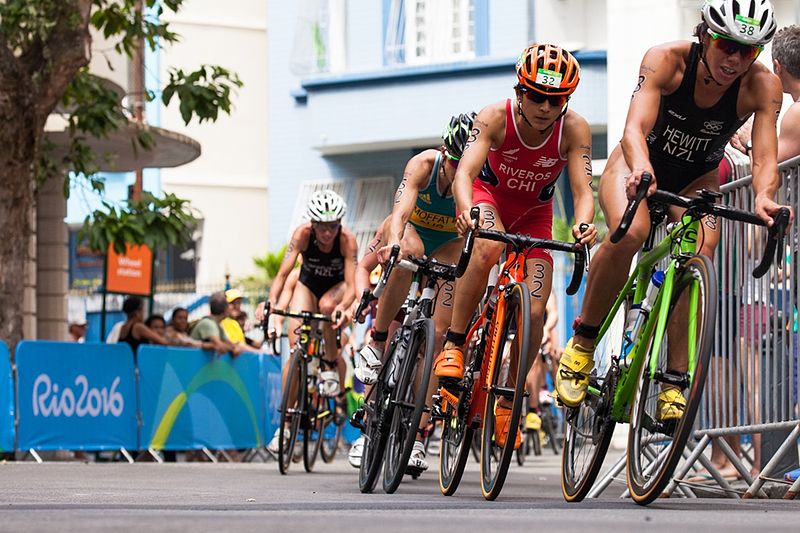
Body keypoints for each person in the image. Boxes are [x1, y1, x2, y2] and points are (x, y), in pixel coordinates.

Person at [554, 0, 787, 419]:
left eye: (747, 50)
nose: (734, 59)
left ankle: (672, 381)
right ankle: (583, 345)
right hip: (637, 162)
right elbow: (633, 128)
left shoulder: (762, 87)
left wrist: (764, 196)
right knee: (633, 232)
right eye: (726, 44)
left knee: (700, 252)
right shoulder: (665, 61)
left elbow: (765, 159)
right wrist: (642, 168)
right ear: (704, 35)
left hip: (698, 179)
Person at [433, 42, 597, 450]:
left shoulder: (574, 129)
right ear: (520, 92)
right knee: (487, 249)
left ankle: (509, 399)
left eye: (555, 99)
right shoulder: (494, 117)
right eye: (536, 96)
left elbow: (583, 190)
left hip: (535, 217)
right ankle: (454, 344)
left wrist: (582, 224)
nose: (545, 106)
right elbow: (465, 173)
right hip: (490, 199)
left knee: (537, 309)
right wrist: (467, 208)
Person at [347, 113, 475, 471]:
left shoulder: (479, 178)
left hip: (449, 244)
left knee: (436, 336)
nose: (456, 169)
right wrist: (391, 243)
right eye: (453, 160)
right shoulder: (423, 165)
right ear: (445, 152)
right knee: (407, 254)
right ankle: (377, 339)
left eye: (464, 162)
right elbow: (401, 208)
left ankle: (417, 436)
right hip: (414, 232)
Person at [262, 190, 358, 453]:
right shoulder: (302, 235)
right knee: (295, 348)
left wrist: (343, 306)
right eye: (322, 228)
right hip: (308, 284)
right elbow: (283, 275)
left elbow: (351, 284)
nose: (327, 234)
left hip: (336, 287)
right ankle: (286, 425)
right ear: (312, 225)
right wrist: (271, 305)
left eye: (332, 227)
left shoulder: (347, 240)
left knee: (327, 306)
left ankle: (328, 365)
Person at [220, 289, 259, 354]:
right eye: (232, 303)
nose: (237, 306)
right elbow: (238, 345)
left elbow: (249, 343)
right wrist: (259, 353)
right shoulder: (225, 322)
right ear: (224, 305)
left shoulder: (234, 323)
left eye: (239, 303)